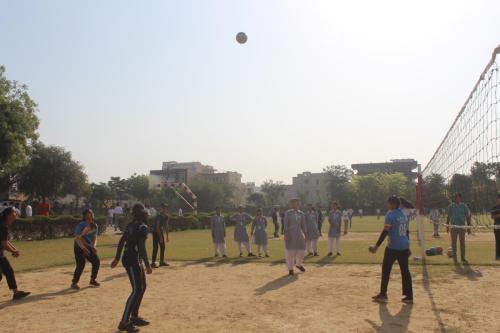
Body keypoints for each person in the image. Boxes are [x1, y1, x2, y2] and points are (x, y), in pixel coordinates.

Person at [112, 203, 153, 333]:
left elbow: (121, 241)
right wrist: (148, 265)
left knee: (142, 287)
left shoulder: (131, 225)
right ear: (143, 214)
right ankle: (124, 322)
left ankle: (134, 316)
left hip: (131, 258)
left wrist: (117, 258)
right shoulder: (142, 227)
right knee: (136, 290)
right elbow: (141, 248)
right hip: (133, 259)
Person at [369, 196, 413, 304]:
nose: (387, 205)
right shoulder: (403, 214)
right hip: (404, 246)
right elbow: (407, 231)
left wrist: (376, 246)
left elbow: (386, 231)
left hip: (393, 247)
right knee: (405, 271)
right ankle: (409, 296)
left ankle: (383, 294)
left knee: (386, 270)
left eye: (388, 203)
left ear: (393, 204)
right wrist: (408, 246)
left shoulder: (390, 214)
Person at [0, 207, 30, 301]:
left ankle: (16, 293)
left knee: (9, 271)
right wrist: (13, 251)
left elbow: (5, 241)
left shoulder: (3, 225)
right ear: (8, 215)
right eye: (14, 213)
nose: (16, 214)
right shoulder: (2, 226)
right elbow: (4, 244)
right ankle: (16, 293)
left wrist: (14, 249)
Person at [71, 208, 100, 289]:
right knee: (81, 264)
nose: (91, 215)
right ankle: (74, 282)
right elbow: (77, 238)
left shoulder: (94, 225)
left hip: (88, 246)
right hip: (78, 246)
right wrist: (83, 248)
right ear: (85, 216)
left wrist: (94, 246)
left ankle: (92, 279)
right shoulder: (81, 225)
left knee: (96, 261)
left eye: (91, 213)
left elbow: (94, 237)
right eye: (88, 214)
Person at [283, 198, 307, 276]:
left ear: (298, 204)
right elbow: (285, 224)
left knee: (301, 251)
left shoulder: (301, 213)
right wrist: (286, 234)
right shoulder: (288, 213)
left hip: (299, 234)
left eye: (296, 203)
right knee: (290, 252)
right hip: (290, 234)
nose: (294, 204)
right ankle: (290, 269)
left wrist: (305, 234)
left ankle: (299, 264)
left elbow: (303, 225)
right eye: (292, 203)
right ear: (291, 204)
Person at [446, 193, 471, 264]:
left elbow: (468, 216)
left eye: (458, 197)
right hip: (453, 227)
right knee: (453, 243)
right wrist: (447, 226)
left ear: (460, 198)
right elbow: (448, 216)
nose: (457, 198)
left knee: (462, 242)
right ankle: (455, 258)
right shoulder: (451, 206)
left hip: (462, 227)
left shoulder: (464, 206)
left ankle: (463, 257)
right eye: (455, 197)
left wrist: (469, 227)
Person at [151, 204, 169, 268]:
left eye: (165, 208)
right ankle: (153, 263)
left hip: (160, 231)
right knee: (155, 247)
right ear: (161, 209)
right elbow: (157, 227)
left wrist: (167, 236)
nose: (164, 210)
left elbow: (166, 226)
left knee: (163, 246)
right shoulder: (158, 216)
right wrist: (160, 237)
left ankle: (161, 261)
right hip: (155, 232)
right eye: (163, 208)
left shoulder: (166, 216)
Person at [490, 194, 500, 260]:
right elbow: (492, 217)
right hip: (497, 227)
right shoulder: (494, 208)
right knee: (498, 241)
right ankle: (497, 256)